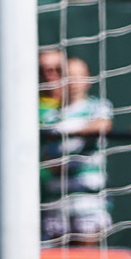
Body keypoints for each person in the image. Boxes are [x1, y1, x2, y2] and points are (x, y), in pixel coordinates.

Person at [42, 55, 113, 245]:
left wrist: (69, 131)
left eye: (78, 76)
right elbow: (49, 160)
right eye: (68, 76)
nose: (73, 82)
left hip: (88, 201)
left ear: (88, 79)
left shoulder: (97, 107)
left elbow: (103, 125)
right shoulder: (50, 116)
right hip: (57, 201)